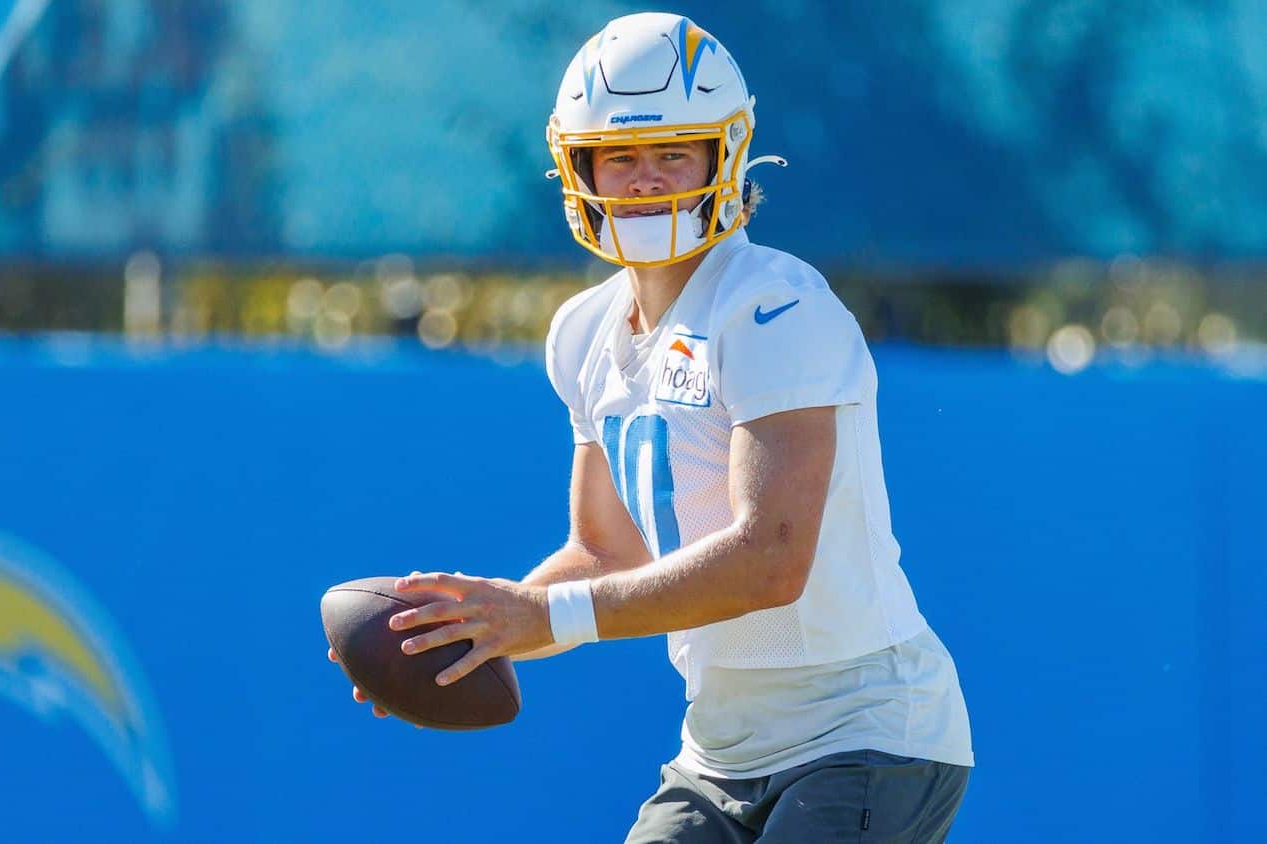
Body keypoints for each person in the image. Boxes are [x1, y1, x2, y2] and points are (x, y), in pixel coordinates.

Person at [328, 12, 973, 842]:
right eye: (623, 157)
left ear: (724, 156)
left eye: (675, 152)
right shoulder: (583, 332)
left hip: (869, 732)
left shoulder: (775, 308)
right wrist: (470, 631)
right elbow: (604, 552)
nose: (646, 180)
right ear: (579, 166)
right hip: (719, 748)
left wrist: (543, 619)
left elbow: (770, 560)